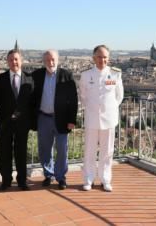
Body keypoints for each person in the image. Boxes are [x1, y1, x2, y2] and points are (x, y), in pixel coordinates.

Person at [79, 45, 124, 192]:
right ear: (93, 58)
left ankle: (106, 180)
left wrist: (108, 108)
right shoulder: (86, 75)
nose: (102, 60)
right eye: (99, 57)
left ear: (108, 58)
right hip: (92, 118)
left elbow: (119, 96)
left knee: (107, 152)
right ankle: (88, 179)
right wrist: (93, 108)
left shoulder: (115, 74)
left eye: (104, 57)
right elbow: (83, 96)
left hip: (109, 119)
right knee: (89, 151)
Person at [32, 50, 78, 190]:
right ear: (43, 61)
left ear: (58, 60)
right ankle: (48, 174)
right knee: (44, 149)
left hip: (62, 119)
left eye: (53, 59)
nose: (50, 62)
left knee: (62, 149)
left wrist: (72, 120)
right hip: (43, 117)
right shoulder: (37, 75)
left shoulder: (66, 75)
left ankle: (61, 177)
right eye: (47, 60)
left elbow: (73, 99)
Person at [0, 48, 34, 191]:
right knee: (4, 153)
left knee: (21, 152)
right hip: (5, 121)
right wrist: (10, 113)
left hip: (23, 122)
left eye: (16, 59)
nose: (13, 62)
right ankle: (6, 181)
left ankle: (22, 180)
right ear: (7, 62)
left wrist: (21, 114)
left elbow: (32, 100)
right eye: (11, 59)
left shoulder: (29, 78)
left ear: (21, 61)